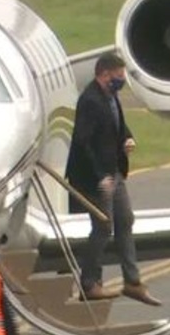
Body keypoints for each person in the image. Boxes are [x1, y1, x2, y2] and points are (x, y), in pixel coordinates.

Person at [65, 51, 161, 306]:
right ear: (103, 74)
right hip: (97, 178)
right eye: (117, 77)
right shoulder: (90, 101)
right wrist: (100, 177)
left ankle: (132, 281)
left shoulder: (111, 96)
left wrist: (127, 138)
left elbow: (118, 125)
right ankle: (90, 283)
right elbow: (82, 143)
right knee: (103, 227)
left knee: (125, 220)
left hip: (115, 171)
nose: (121, 81)